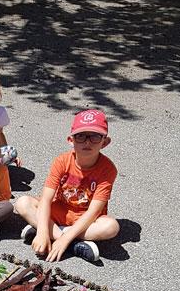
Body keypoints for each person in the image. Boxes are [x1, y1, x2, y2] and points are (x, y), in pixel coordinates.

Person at [13, 109, 120, 263]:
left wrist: (63, 239)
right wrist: (43, 231)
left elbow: (93, 211)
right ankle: (71, 243)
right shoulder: (62, 161)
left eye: (95, 136)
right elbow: (46, 199)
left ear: (105, 142)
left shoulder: (108, 169)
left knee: (111, 227)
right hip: (60, 211)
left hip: (86, 219)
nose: (87, 142)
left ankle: (54, 234)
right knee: (22, 202)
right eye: (81, 136)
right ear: (71, 140)